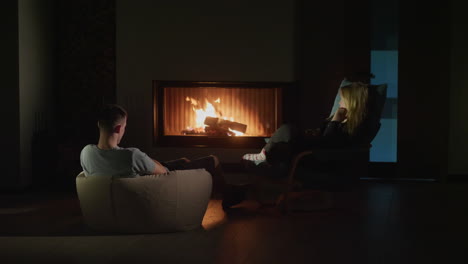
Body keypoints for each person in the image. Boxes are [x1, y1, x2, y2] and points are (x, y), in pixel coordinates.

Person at [223, 82, 372, 209]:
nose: (339, 103)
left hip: (312, 160)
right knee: (287, 132)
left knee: (287, 133)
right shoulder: (345, 122)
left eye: (342, 100)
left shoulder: (350, 127)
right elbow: (324, 138)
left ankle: (246, 183)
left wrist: (334, 122)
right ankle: (258, 167)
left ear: (351, 102)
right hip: (306, 154)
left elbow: (327, 144)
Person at [80, 104, 225, 194]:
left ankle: (229, 191)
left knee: (182, 161)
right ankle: (228, 192)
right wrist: (151, 162)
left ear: (99, 125)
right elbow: (165, 173)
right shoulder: (131, 155)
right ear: (119, 128)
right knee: (213, 160)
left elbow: (118, 162)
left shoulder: (86, 152)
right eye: (124, 127)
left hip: (127, 184)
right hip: (157, 184)